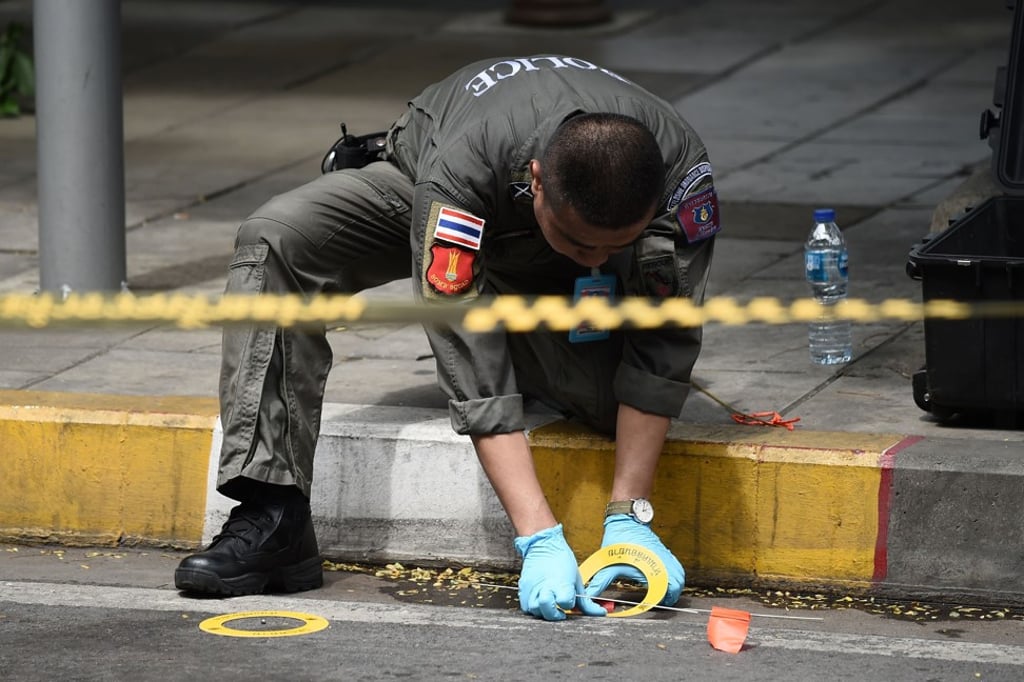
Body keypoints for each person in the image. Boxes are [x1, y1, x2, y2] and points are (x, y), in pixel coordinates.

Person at [174, 54, 719, 622]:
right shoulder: (463, 168)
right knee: (278, 238)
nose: (601, 256)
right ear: (536, 180)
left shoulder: (680, 173)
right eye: (584, 243)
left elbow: (665, 339)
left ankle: (535, 322)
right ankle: (273, 513)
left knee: (609, 405)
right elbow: (467, 351)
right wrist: (538, 537)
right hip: (432, 191)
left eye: (616, 244)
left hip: (560, 281)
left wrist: (630, 515)